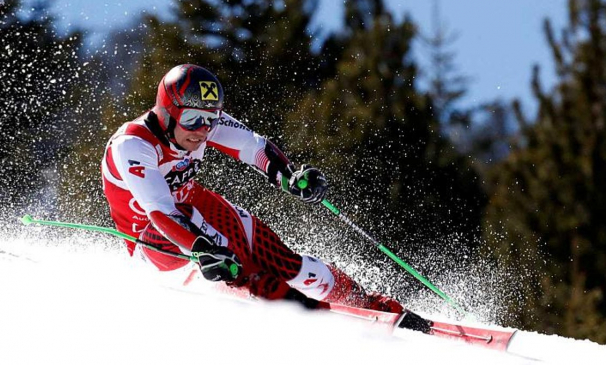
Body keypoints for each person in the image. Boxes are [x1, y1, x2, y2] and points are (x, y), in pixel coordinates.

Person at [101, 64, 402, 313]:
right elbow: (162, 212)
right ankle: (280, 300)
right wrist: (204, 249)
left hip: (197, 210)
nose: (202, 130)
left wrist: (289, 178)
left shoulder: (201, 123)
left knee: (287, 263)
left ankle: (370, 304)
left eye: (210, 120)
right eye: (193, 120)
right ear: (167, 112)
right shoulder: (133, 145)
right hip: (153, 242)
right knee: (211, 238)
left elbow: (252, 146)